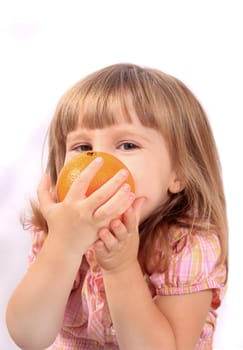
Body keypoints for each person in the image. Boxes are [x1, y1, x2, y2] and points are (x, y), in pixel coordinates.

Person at [6, 63, 228, 350]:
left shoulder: (188, 245)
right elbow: (28, 336)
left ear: (179, 173)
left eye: (127, 145)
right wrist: (63, 246)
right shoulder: (57, 233)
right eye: (82, 148)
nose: (97, 160)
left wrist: (120, 268)